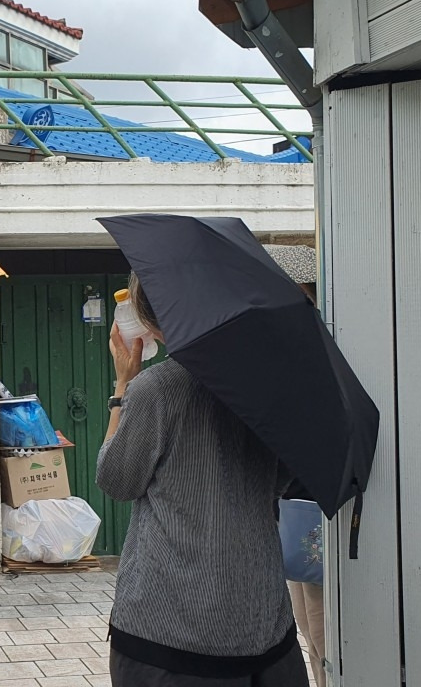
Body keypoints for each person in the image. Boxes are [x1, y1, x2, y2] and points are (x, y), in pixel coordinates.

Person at [97, 274, 309, 687]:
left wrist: (123, 384)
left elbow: (116, 481)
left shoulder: (156, 388)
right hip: (261, 621)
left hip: (168, 632)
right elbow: (281, 480)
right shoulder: (271, 385)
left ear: (150, 321)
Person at [265, 244, 326, 687]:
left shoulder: (321, 351)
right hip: (293, 506)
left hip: (318, 505)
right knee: (308, 628)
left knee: (325, 632)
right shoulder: (285, 352)